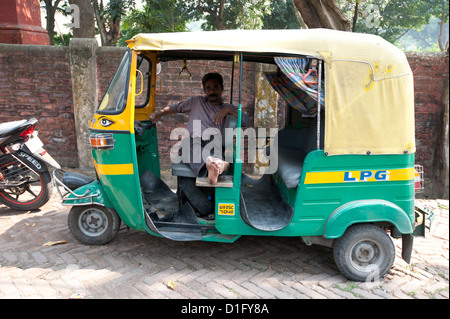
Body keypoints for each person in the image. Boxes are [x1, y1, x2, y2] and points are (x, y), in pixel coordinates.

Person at [149, 72, 250, 185]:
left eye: (216, 87)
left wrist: (228, 111)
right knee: (187, 146)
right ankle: (214, 164)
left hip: (214, 143)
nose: (212, 91)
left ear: (222, 88)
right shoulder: (196, 101)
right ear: (204, 90)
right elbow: (175, 107)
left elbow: (247, 121)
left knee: (214, 151)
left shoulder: (228, 107)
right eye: (208, 88)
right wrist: (159, 113)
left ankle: (216, 164)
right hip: (193, 141)